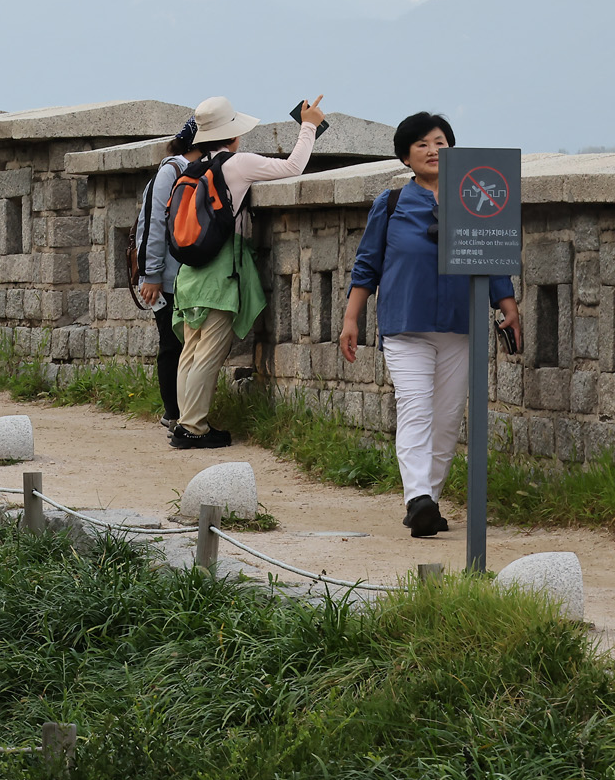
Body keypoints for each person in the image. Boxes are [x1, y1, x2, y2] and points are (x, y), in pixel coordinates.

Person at [340, 112, 520, 537]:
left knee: (446, 419)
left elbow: (492, 258)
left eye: (440, 141)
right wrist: (352, 318)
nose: (433, 149)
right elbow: (366, 265)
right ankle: (417, 496)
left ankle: (428, 504)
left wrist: (508, 305)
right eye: (421, 144)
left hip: (461, 328)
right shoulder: (391, 204)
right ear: (406, 157)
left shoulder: (476, 198)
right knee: (416, 410)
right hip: (407, 326)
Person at [169, 95, 325, 449]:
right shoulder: (236, 165)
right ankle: (194, 429)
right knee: (208, 353)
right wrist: (309, 125)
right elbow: (293, 168)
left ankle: (184, 422)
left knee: (190, 351)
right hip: (219, 274)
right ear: (233, 134)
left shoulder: (192, 169)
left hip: (190, 273)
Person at [135, 117, 196, 430]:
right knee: (171, 345)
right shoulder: (171, 171)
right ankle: (172, 412)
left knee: (184, 345)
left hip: (182, 276)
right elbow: (153, 224)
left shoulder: (187, 170)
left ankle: (183, 412)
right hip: (166, 278)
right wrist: (151, 275)